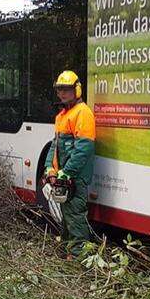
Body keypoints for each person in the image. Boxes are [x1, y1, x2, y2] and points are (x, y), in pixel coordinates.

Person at [43, 70, 96, 253]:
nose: (62, 93)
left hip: (76, 178)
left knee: (75, 217)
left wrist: (67, 171)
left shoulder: (83, 113)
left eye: (66, 89)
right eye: (60, 90)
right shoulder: (61, 116)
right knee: (66, 218)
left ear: (77, 90)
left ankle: (81, 257)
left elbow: (84, 149)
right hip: (64, 177)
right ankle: (68, 254)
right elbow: (54, 146)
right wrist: (49, 167)